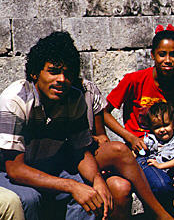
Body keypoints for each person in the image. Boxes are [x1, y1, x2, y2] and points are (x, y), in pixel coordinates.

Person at [105, 24, 174, 218]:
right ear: (153, 55)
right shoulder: (134, 80)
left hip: (173, 146)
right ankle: (170, 209)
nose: (167, 60)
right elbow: (104, 113)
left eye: (173, 55)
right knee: (161, 185)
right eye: (162, 54)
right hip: (144, 149)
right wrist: (130, 137)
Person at [0, 31, 112, 220]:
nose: (61, 79)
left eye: (67, 74)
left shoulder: (75, 99)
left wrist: (97, 180)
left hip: (47, 166)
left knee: (91, 194)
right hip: (6, 171)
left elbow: (81, 151)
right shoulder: (15, 100)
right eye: (53, 71)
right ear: (35, 73)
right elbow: (15, 169)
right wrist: (71, 185)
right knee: (29, 199)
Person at [76, 79, 173, 220]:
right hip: (73, 156)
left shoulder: (88, 89)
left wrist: (101, 139)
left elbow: (101, 133)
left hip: (91, 154)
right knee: (120, 150)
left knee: (121, 187)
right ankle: (162, 215)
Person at [137, 102, 174, 216]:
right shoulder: (151, 139)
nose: (162, 130)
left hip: (171, 173)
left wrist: (160, 166)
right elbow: (140, 150)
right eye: (157, 127)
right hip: (157, 173)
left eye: (166, 125)